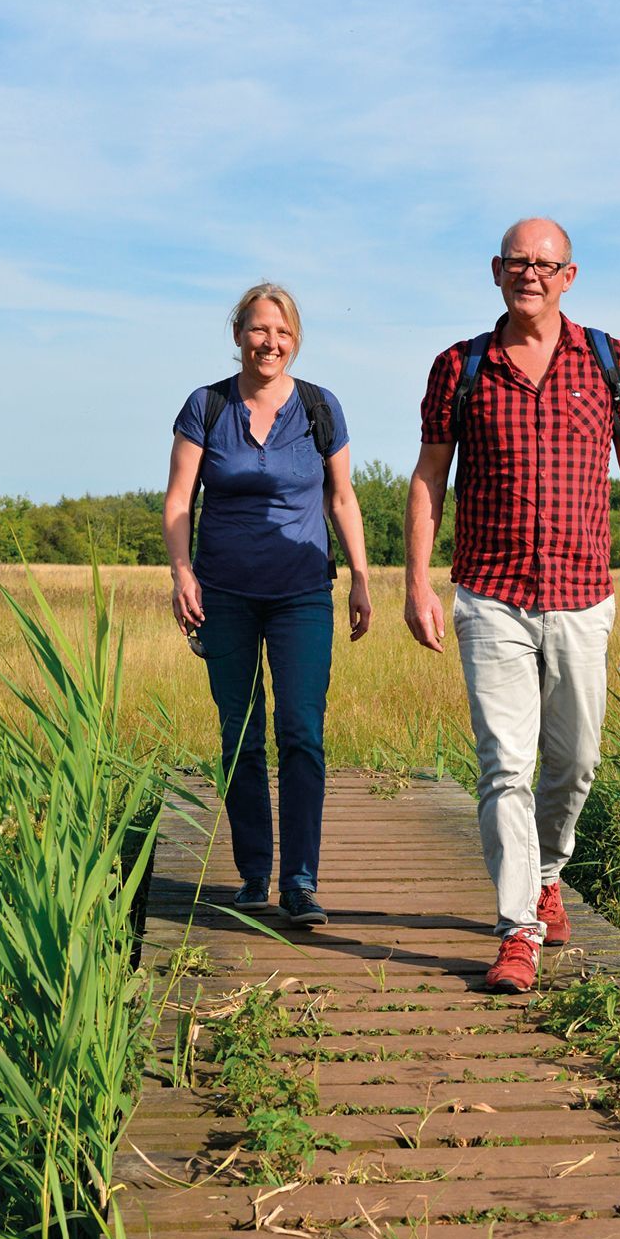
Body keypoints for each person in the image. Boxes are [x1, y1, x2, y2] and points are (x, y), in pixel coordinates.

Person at [404, 218, 620, 990]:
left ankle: (548, 872)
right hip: (491, 595)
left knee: (577, 760)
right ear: (496, 271)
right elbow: (430, 477)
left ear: (570, 275)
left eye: (545, 263)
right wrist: (416, 579)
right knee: (504, 768)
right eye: (518, 262)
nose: (532, 273)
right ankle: (518, 927)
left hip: (584, 596)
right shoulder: (459, 366)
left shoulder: (609, 359)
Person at [164, 282, 372, 925]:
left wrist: (362, 575)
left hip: (303, 593)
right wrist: (182, 572)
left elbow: (341, 497)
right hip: (223, 593)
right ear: (237, 336)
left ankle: (300, 883)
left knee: (302, 733)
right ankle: (254, 875)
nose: (269, 343)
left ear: (296, 340)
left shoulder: (318, 406)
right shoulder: (206, 406)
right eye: (257, 330)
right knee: (241, 732)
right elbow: (178, 502)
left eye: (281, 333)